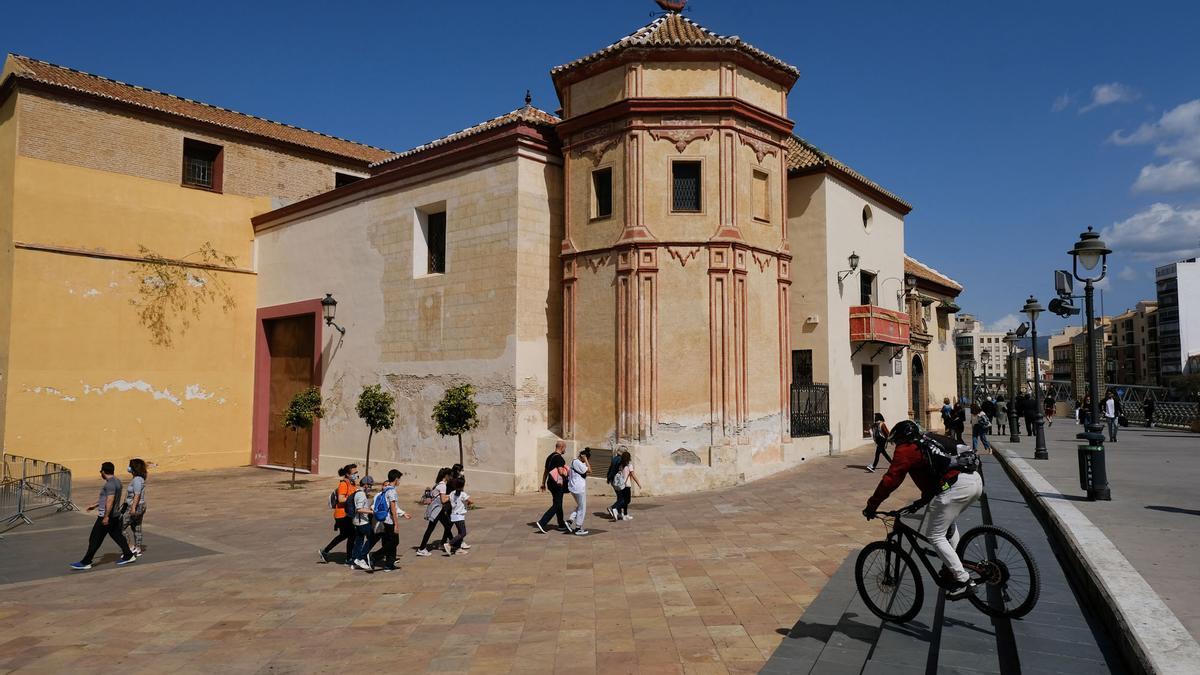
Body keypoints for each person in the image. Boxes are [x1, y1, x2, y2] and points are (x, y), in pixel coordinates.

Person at [862, 421, 983, 599]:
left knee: (935, 535)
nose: (896, 446)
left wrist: (872, 505)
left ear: (902, 438)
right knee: (947, 522)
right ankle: (952, 565)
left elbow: (891, 480)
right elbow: (935, 470)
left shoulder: (907, 448)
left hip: (955, 487)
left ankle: (963, 580)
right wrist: (923, 500)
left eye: (896, 442)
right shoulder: (930, 439)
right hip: (974, 480)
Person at [70, 462, 137, 570]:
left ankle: (86, 562)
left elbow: (110, 501)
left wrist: (106, 517)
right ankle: (128, 555)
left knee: (94, 539)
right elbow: (107, 498)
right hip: (115, 515)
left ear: (103, 472)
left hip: (107, 516)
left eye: (101, 471)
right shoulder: (117, 481)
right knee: (117, 536)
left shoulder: (109, 484)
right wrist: (95, 505)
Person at [320, 464, 358, 565]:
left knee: (344, 535)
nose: (356, 475)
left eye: (356, 473)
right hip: (342, 514)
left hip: (348, 514)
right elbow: (341, 499)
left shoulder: (352, 483)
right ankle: (349, 558)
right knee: (351, 534)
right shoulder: (343, 484)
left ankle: (325, 551)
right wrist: (353, 499)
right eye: (354, 473)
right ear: (347, 474)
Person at [373, 470, 411, 571]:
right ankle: (375, 556)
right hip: (390, 521)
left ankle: (389, 564)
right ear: (396, 479)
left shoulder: (386, 489)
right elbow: (393, 509)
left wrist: (403, 514)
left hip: (385, 519)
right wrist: (396, 524)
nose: (400, 481)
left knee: (390, 542)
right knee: (394, 542)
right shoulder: (392, 491)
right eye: (399, 479)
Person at [417, 468, 454, 556]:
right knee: (431, 529)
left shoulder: (438, 484)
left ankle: (453, 544)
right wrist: (451, 496)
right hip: (437, 510)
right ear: (446, 476)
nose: (451, 477)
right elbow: (443, 500)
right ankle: (421, 548)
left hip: (438, 510)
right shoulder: (443, 485)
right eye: (450, 475)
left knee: (447, 525)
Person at [536, 441, 569, 533]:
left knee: (558, 502)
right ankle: (542, 522)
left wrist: (543, 483)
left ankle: (561, 524)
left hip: (550, 483)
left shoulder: (549, 457)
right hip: (557, 484)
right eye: (565, 448)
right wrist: (567, 472)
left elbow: (546, 471)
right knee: (557, 504)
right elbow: (561, 472)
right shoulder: (559, 459)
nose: (565, 450)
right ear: (561, 447)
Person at [120, 458, 149, 557]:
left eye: (130, 466)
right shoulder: (139, 479)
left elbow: (137, 494)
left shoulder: (137, 480)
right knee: (136, 527)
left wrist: (133, 508)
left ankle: (130, 547)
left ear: (133, 468)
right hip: (140, 506)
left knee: (120, 527)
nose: (128, 468)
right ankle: (138, 548)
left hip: (135, 506)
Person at [349, 475, 377, 571]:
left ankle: (354, 561)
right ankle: (361, 558)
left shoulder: (357, 492)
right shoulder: (361, 494)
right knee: (373, 538)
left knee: (359, 542)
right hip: (362, 522)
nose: (370, 488)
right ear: (365, 485)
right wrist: (372, 512)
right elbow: (359, 509)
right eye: (369, 485)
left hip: (357, 522)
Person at [609, 450, 642, 520]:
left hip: (620, 485)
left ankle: (622, 514)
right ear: (629, 458)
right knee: (627, 501)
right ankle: (614, 508)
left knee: (622, 499)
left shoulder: (620, 465)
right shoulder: (629, 465)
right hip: (627, 485)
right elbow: (633, 475)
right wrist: (638, 484)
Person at [445, 476, 472, 555]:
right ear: (462, 486)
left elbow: (449, 499)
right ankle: (449, 544)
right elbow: (470, 501)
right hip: (459, 516)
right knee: (463, 533)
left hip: (453, 515)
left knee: (460, 532)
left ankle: (458, 549)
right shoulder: (463, 494)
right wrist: (469, 503)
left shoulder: (452, 493)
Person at [567, 449, 591, 536]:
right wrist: (586, 460)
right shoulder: (577, 462)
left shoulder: (576, 462)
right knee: (582, 508)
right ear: (583, 457)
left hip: (574, 487)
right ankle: (578, 528)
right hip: (579, 488)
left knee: (580, 506)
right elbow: (590, 470)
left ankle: (569, 521)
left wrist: (584, 460)